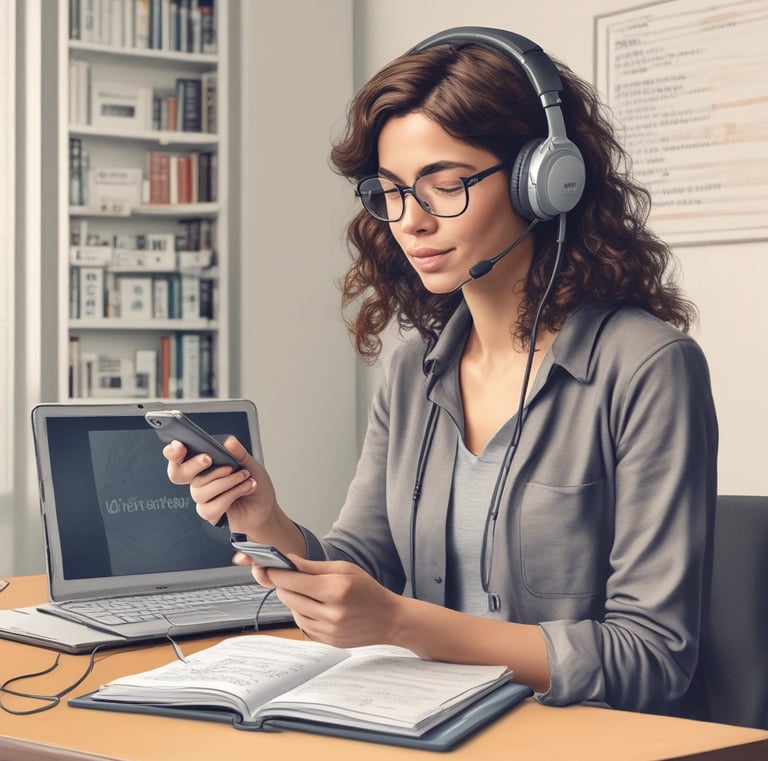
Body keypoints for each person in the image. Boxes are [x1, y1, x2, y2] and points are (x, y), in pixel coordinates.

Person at [164, 27, 718, 718]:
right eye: (392, 192)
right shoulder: (411, 371)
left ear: (544, 181)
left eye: (446, 185)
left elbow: (652, 655)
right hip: (430, 724)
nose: (412, 221)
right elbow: (365, 569)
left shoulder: (647, 367)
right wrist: (268, 521)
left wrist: (400, 623)